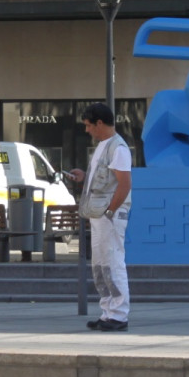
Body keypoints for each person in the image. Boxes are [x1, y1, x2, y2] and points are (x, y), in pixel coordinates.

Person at [69, 102, 131, 332]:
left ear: (100, 123)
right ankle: (109, 312)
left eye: (88, 125)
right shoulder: (105, 146)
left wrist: (110, 212)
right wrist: (85, 176)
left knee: (112, 262)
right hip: (101, 214)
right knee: (101, 264)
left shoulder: (118, 148)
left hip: (109, 215)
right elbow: (110, 180)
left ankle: (119, 314)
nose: (87, 130)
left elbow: (125, 184)